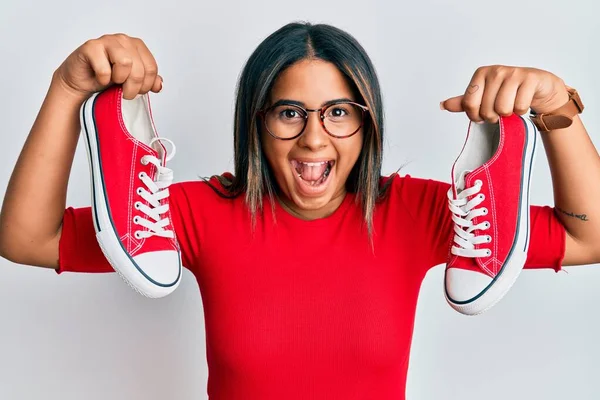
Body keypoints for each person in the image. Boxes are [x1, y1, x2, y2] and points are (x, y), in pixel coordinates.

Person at [0, 22, 598, 400]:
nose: (314, 139)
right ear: (255, 124)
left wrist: (556, 110)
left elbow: (589, 239)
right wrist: (68, 88)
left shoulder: (416, 211)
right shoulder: (195, 213)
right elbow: (27, 238)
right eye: (290, 112)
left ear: (367, 124)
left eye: (339, 111)